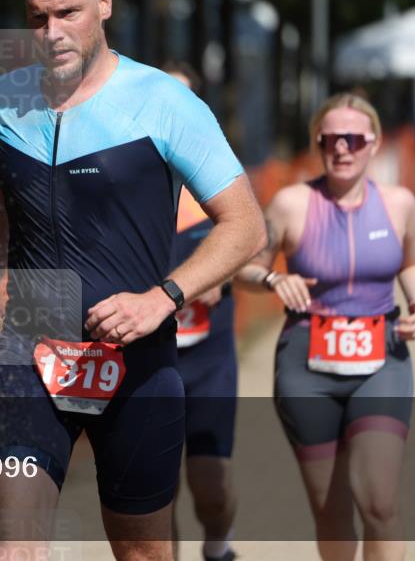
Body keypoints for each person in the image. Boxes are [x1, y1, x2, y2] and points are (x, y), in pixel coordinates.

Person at [0, 0, 266, 561]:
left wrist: (162, 299)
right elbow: (5, 206)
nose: (53, 33)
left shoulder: (164, 102)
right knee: (15, 551)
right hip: (29, 352)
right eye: (39, 18)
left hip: (135, 363)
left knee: (142, 553)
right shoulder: (3, 100)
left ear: (104, 5)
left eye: (69, 13)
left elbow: (246, 226)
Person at [236, 93, 415, 561]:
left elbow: (413, 262)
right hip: (307, 365)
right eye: (331, 139)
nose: (342, 148)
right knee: (331, 509)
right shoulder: (291, 203)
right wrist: (277, 278)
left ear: (374, 143)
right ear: (317, 142)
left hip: (382, 357)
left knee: (378, 498)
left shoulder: (400, 204)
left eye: (354, 139)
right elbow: (244, 267)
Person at [163, 61, 238, 561]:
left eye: (183, 100)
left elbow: (256, 236)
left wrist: (226, 271)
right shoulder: (123, 174)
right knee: (152, 493)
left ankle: (218, 545)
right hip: (147, 357)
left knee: (210, 487)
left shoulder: (216, 173)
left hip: (207, 355)